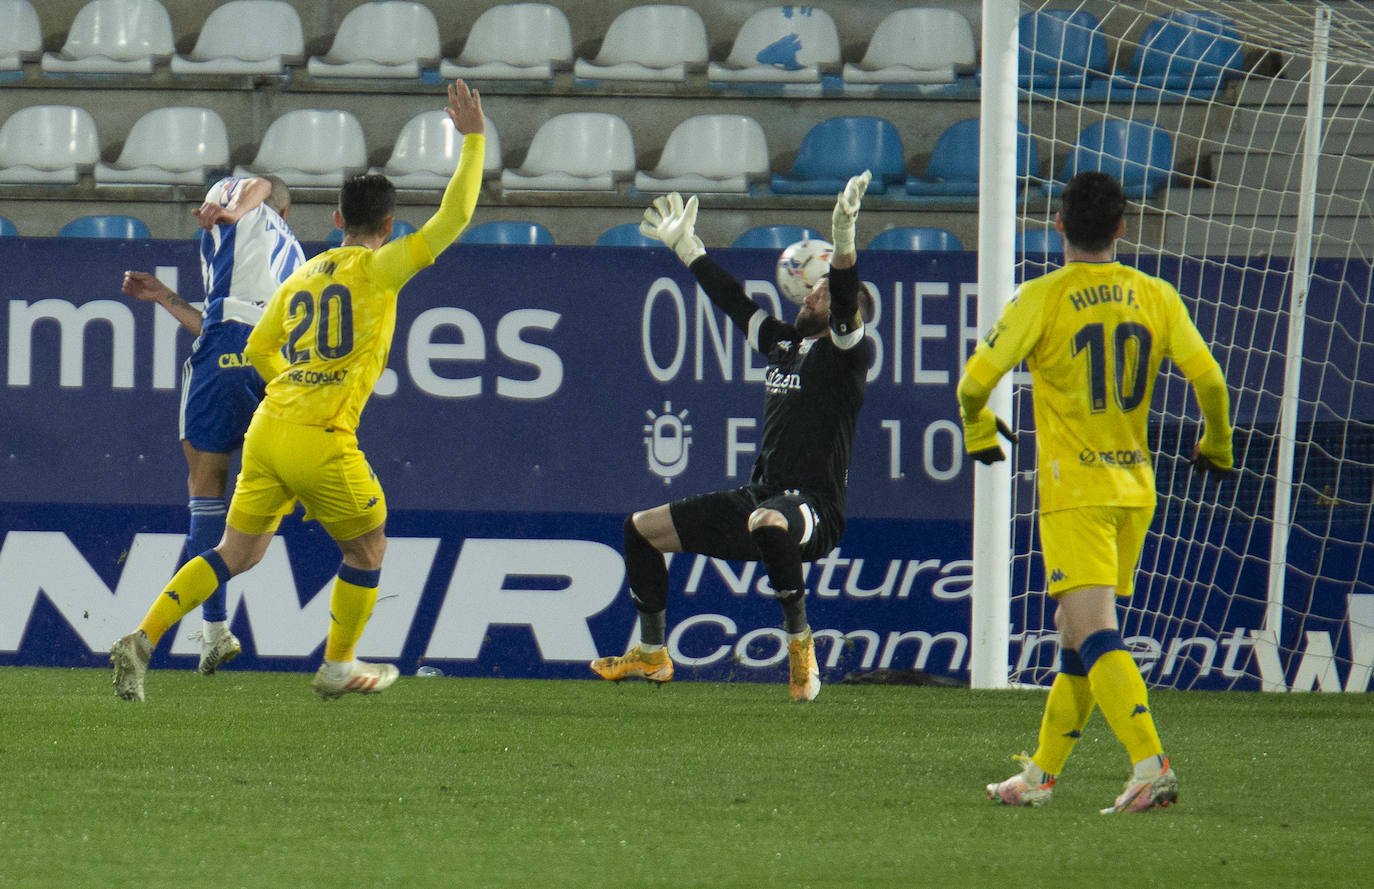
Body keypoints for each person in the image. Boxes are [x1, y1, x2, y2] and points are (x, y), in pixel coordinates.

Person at [110, 79, 488, 702]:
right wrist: (473, 140)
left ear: (337, 219)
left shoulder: (305, 273)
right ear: (389, 227)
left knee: (236, 551)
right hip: (318, 434)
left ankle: (143, 638)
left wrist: (299, 376)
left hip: (269, 429)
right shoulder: (381, 268)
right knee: (368, 549)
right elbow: (458, 215)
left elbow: (259, 348)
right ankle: (339, 663)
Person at [959, 170, 1234, 813]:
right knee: (1074, 631)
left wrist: (978, 427)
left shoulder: (1043, 296)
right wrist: (1216, 445)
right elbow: (1213, 384)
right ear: (1121, 226)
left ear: (1059, 225)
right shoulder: (1156, 295)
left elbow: (975, 383)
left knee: (1095, 629)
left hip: (1075, 491)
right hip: (1135, 489)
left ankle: (1150, 764)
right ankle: (1040, 776)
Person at [591, 172, 876, 702]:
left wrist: (843, 239)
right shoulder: (784, 344)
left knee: (768, 520)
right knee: (639, 530)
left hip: (815, 509)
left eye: (818, 293)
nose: (808, 296)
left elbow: (842, 302)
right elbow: (734, 303)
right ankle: (652, 654)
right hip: (759, 498)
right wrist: (689, 248)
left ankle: (800, 647)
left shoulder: (849, 355)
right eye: (810, 289)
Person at [121, 174, 305, 677]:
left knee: (205, 491)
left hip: (224, 355)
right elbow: (233, 318)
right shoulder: (296, 261)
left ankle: (201, 631)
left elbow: (261, 183)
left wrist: (233, 205)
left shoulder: (252, 210)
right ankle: (215, 633)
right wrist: (166, 297)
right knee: (249, 519)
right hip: (275, 366)